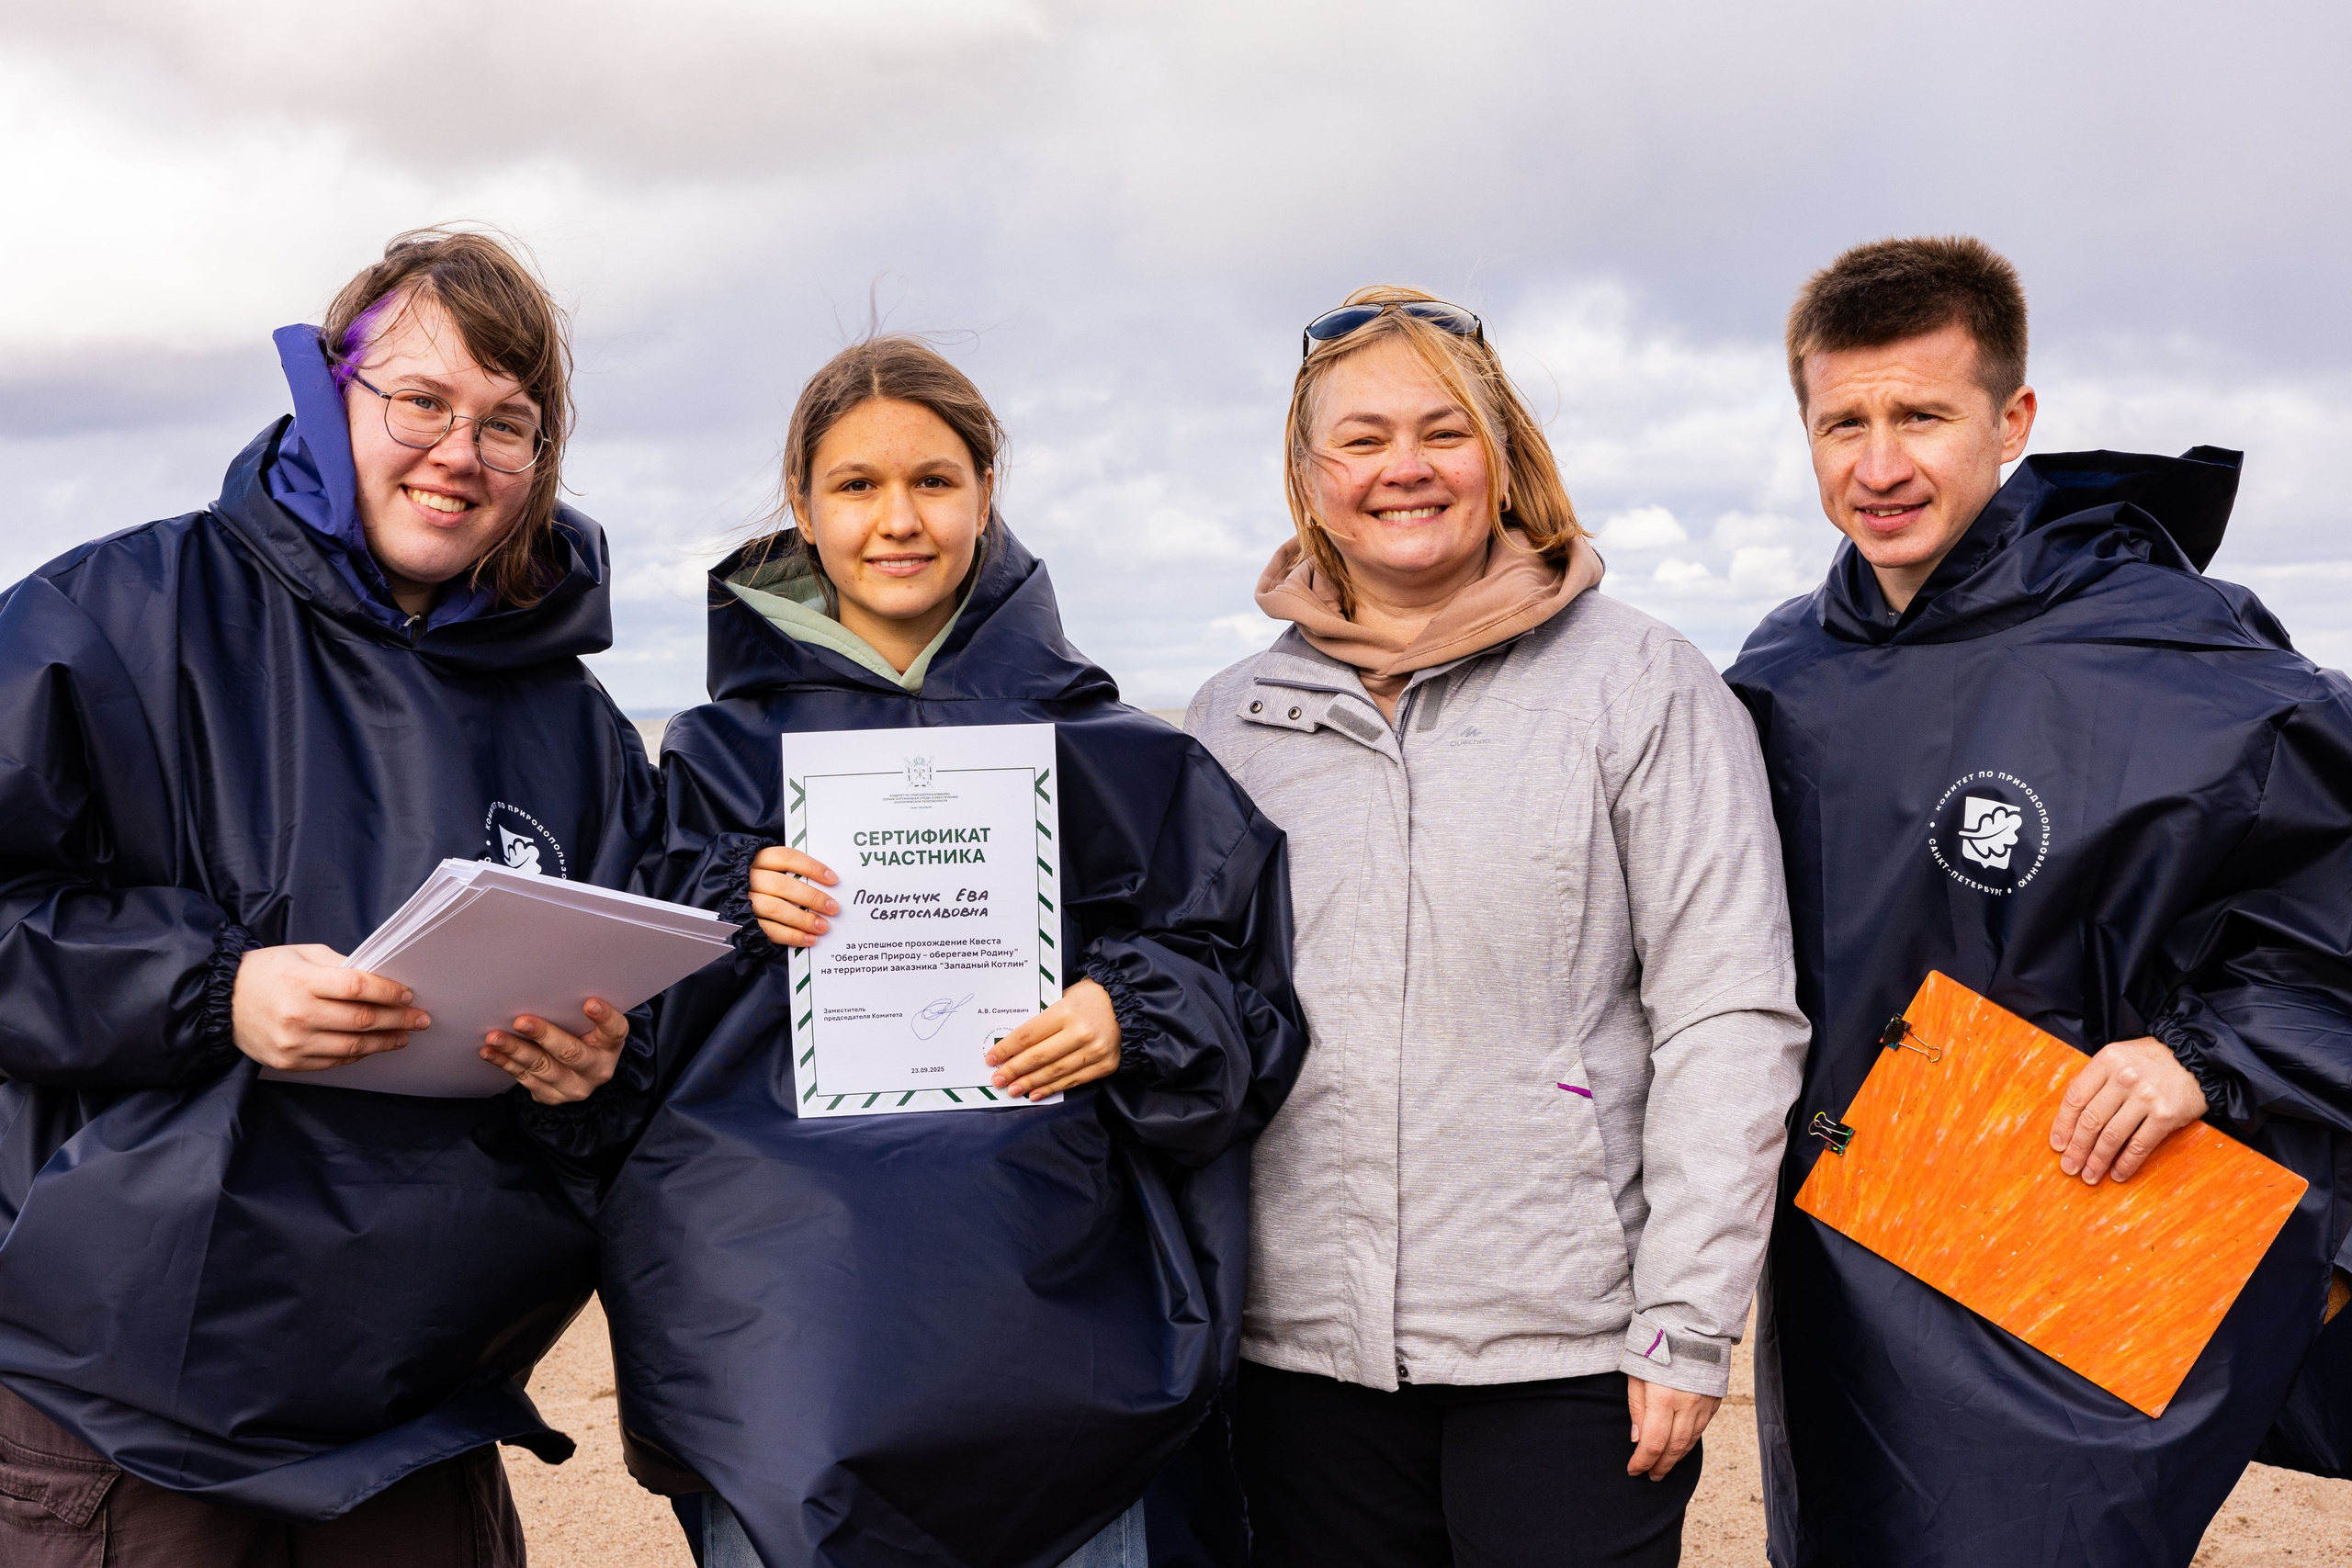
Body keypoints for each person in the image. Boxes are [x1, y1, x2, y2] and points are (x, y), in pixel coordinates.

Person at [0, 229, 660, 1565]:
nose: (459, 452)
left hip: (417, 1422)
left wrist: (593, 1068)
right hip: (118, 1412)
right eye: (420, 400)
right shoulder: (111, 616)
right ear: (329, 390)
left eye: (508, 424)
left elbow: (640, 1043)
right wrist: (213, 990)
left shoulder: (579, 730)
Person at [598, 335, 1308, 1568]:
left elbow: (1247, 995)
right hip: (787, 1357)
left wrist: (1131, 1012)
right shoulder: (707, 763)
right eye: (857, 486)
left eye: (933, 480)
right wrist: (723, 906)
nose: (898, 519)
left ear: (987, 496)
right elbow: (616, 1042)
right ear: (805, 516)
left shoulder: (1120, 756)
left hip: (1062, 1354)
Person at [1724, 235, 2352, 1567]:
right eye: (1845, 420)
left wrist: (2205, 1057)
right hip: (1839, 1253)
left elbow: (2327, 895)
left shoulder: (2172, 649)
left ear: (2013, 420)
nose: (1879, 464)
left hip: (2070, 1234)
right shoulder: (1783, 670)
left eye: (1922, 416)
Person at [1186, 287, 1809, 1568]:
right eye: (1360, 440)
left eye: (1443, 431)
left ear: (1505, 456)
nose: (1403, 470)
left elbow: (1728, 1012)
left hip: (1574, 1353)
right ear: (1308, 478)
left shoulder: (1644, 685)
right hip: (1298, 1356)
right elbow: (1183, 1009)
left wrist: (1688, 1320)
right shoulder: (1229, 722)